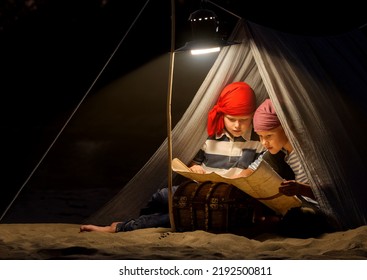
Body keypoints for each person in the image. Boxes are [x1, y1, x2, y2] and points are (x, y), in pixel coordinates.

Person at [79, 81, 266, 233]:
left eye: (243, 120)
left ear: (252, 116)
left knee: (174, 216)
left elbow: (256, 172)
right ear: (221, 115)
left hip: (225, 199)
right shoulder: (210, 137)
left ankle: (119, 228)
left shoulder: (258, 141)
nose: (236, 125)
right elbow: (196, 162)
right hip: (198, 189)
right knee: (160, 196)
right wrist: (194, 168)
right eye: (231, 119)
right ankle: (136, 222)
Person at [248, 98, 335, 237]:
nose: (264, 142)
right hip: (300, 202)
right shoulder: (278, 152)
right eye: (260, 136)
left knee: (298, 219)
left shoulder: (309, 152)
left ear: (287, 128)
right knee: (266, 161)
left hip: (322, 210)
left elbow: (332, 195)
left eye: (269, 135)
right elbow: (251, 171)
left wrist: (301, 188)